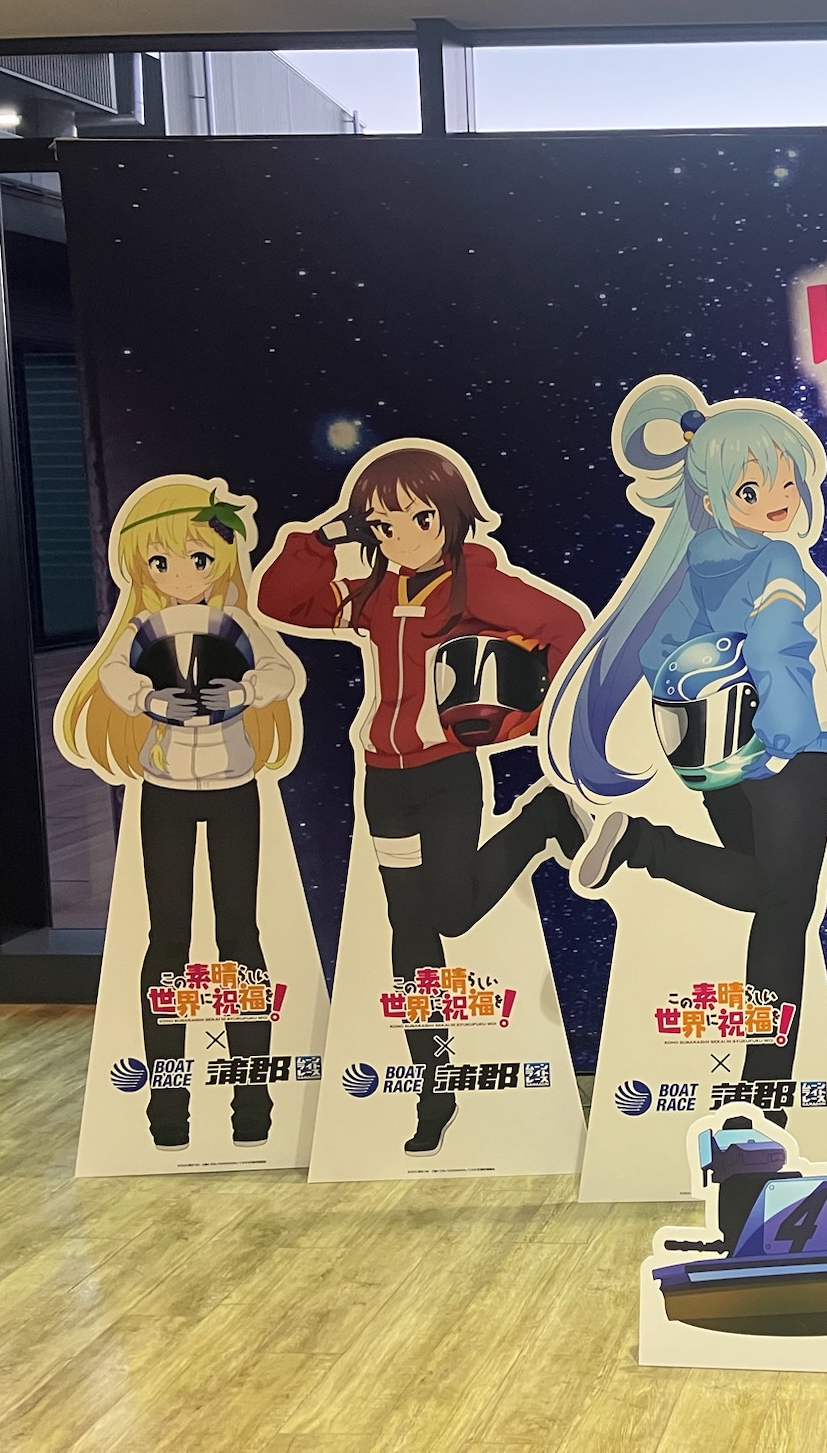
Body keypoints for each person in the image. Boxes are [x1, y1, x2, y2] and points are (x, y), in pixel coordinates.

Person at [258, 443, 588, 1156]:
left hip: (447, 773)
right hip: (384, 778)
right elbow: (281, 601)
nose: (401, 536)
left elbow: (566, 631)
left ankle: (541, 820)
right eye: (383, 525)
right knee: (409, 933)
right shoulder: (376, 592)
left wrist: (525, 718)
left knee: (451, 911)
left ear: (450, 514)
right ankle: (433, 1088)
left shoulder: (479, 585)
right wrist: (325, 537)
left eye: (419, 518)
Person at [549, 378, 827, 1100]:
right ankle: (765, 1098)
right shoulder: (778, 562)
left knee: (767, 896)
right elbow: (776, 644)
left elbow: (660, 650)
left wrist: (700, 689)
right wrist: (783, 731)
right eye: (752, 489)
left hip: (712, 756)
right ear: (712, 499)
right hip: (786, 749)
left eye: (785, 481)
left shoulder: (700, 562)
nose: (778, 498)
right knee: (784, 913)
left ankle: (643, 845)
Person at [60, 478, 298, 1150]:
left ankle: (252, 1101)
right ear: (143, 568)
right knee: (168, 938)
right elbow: (113, 676)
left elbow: (280, 674)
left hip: (234, 785)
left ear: (222, 559)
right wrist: (149, 700)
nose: (182, 575)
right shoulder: (142, 628)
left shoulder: (237, 624)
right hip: (164, 788)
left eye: (199, 558)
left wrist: (243, 693)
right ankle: (167, 1106)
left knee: (239, 936)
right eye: (161, 562)